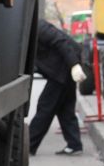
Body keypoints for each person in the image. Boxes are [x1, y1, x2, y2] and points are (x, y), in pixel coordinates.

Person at [29, 17, 86, 156]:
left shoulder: (39, 27)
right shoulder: (29, 31)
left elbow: (61, 41)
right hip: (61, 70)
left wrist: (74, 65)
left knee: (45, 106)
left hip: (64, 68)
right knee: (65, 107)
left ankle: (28, 145)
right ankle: (74, 144)